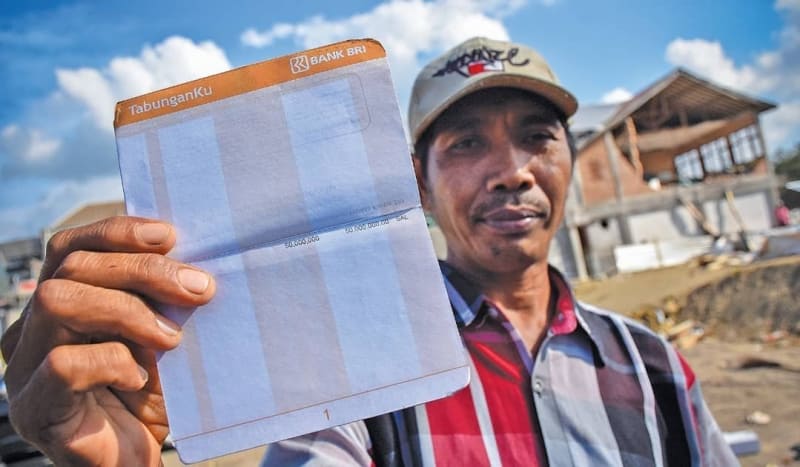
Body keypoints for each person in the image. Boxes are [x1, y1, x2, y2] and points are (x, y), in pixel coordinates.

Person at [0, 37, 736, 466]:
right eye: (469, 142)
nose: (511, 168)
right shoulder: (350, 376)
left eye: (537, 136)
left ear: (570, 161)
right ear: (416, 182)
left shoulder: (657, 369)